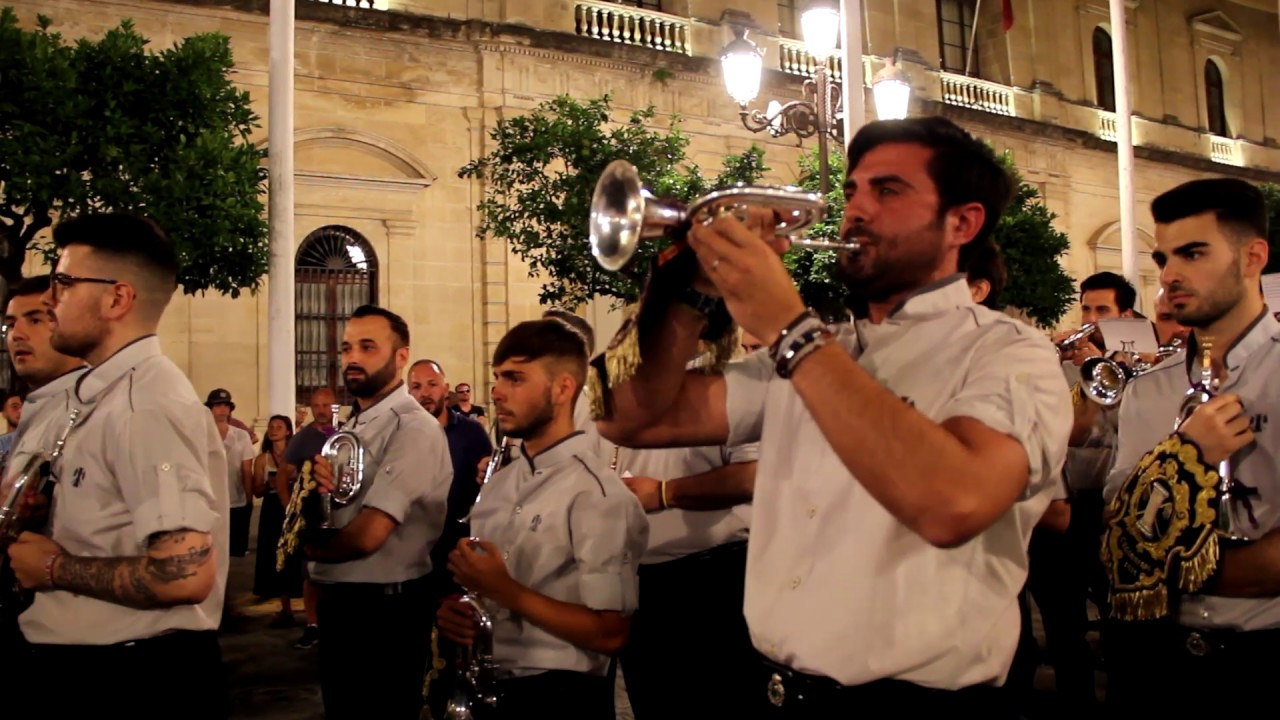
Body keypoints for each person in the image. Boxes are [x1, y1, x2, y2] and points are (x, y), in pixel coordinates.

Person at [594, 116, 1071, 715]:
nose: (856, 210)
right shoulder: (829, 350)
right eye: (852, 191)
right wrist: (692, 289)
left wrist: (788, 329)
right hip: (773, 690)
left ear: (963, 223)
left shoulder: (1008, 351)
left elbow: (954, 503)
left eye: (887, 191)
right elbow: (629, 417)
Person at [6, 213, 229, 717]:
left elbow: (183, 576)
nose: (49, 298)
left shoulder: (145, 404)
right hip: (93, 668)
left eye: (64, 282)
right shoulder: (102, 394)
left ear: (117, 298)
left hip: (131, 679)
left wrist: (53, 567)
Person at [1101, 177, 1276, 714]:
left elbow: (1134, 553)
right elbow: (1116, 528)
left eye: (1193, 253)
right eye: (1163, 256)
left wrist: (1155, 568)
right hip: (1156, 660)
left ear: (1252, 258)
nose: (1170, 274)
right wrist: (1186, 452)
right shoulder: (1149, 389)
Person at [436, 319, 648, 719]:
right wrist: (463, 613)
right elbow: (487, 593)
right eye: (497, 377)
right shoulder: (498, 488)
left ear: (563, 388)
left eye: (515, 378)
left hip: (562, 695)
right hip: (492, 685)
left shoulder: (597, 495)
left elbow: (611, 632)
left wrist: (504, 591)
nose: (497, 392)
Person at [305, 304, 453, 720]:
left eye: (368, 347)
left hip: (384, 614)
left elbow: (368, 535)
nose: (352, 357)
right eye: (347, 347)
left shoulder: (413, 428)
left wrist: (303, 547)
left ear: (400, 357)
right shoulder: (354, 426)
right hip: (345, 606)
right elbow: (339, 511)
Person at [0, 274, 88, 653]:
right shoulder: (39, 408)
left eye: (35, 320)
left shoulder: (92, 409)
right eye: (10, 323)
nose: (16, 334)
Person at [251, 414, 303, 627]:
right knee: (274, 553)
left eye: (278, 427)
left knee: (295, 553)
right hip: (272, 510)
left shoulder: (296, 456)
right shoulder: (263, 459)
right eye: (271, 427)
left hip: (292, 506)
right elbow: (257, 490)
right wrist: (271, 484)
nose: (273, 430)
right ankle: (283, 604)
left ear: (288, 431)